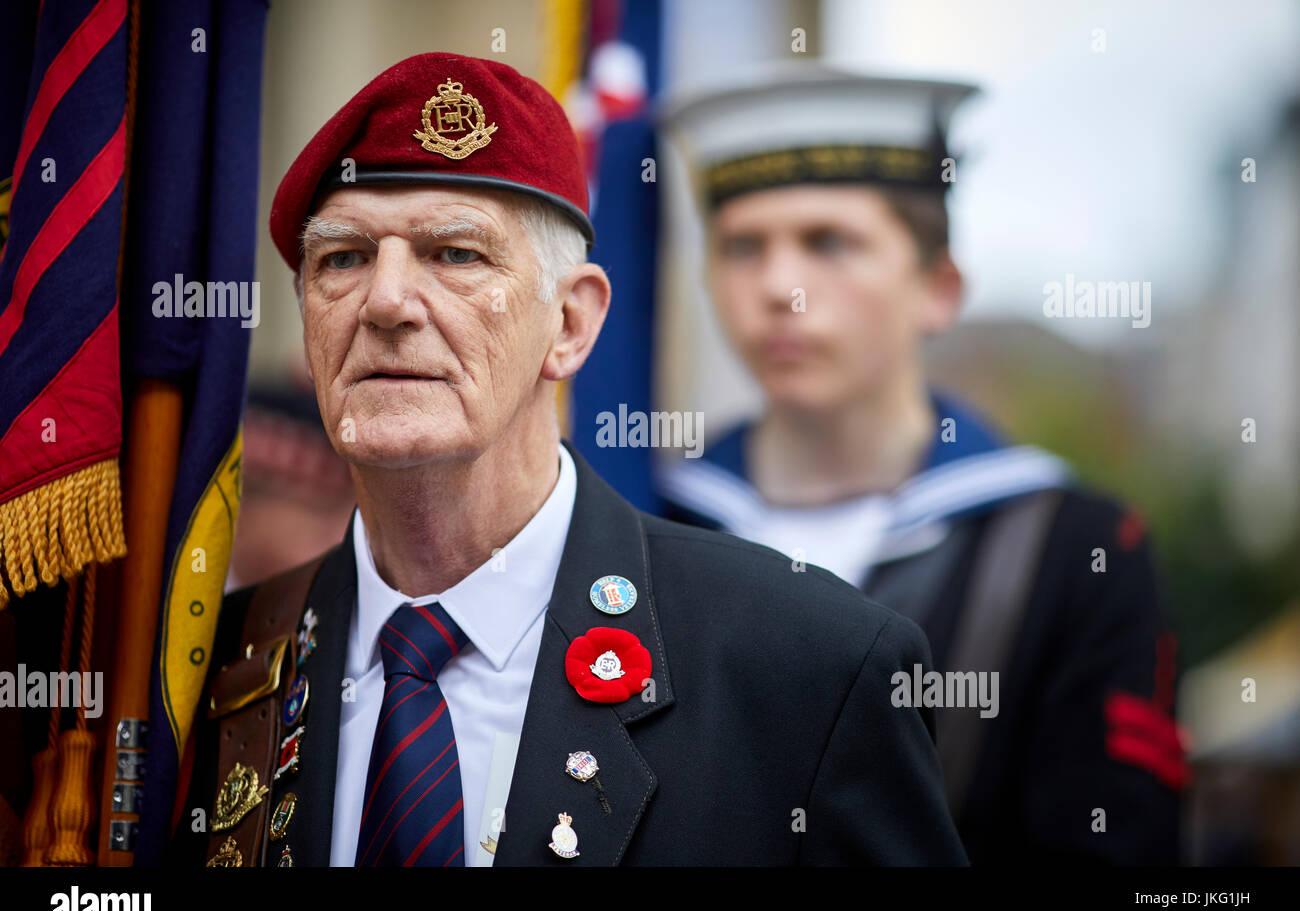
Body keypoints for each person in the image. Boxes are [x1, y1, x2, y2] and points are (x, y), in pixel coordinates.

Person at [167, 52, 967, 867]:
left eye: (456, 254)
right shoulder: (203, 669)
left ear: (572, 325)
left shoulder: (807, 670)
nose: (386, 302)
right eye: (343, 258)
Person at [656, 65, 1186, 864]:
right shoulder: (648, 518)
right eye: (741, 246)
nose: (779, 287)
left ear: (939, 287)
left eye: (829, 242)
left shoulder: (1075, 550)